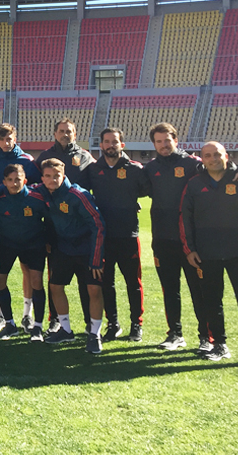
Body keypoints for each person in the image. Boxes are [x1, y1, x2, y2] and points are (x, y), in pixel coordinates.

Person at [144, 122, 238, 353]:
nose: (163, 145)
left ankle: (206, 337)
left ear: (175, 140)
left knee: (199, 291)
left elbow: (219, 166)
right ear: (154, 144)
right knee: (170, 290)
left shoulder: (193, 163)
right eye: (159, 141)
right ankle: (175, 334)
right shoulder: (149, 168)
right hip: (162, 238)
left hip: (191, 242)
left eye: (167, 140)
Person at [181, 142, 238, 370]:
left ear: (226, 156)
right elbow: (185, 220)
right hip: (206, 254)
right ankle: (219, 345)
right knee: (212, 302)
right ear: (202, 159)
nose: (213, 159)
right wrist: (190, 249)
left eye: (217, 154)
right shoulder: (194, 184)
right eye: (207, 155)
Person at [83, 128, 149, 342]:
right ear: (101, 145)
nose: (111, 145)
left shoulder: (135, 169)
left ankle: (136, 324)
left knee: (133, 282)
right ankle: (113, 323)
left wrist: (131, 202)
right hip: (103, 237)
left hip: (128, 235)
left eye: (115, 142)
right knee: (106, 282)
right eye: (107, 142)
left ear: (122, 145)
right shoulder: (93, 170)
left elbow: (147, 190)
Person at [36, 158, 106, 354]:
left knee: (94, 291)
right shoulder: (43, 192)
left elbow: (98, 225)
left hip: (87, 250)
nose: (52, 180)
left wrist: (96, 258)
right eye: (48, 176)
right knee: (56, 287)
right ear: (42, 178)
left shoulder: (78, 195)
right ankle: (65, 330)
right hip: (63, 250)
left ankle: (94, 334)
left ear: (63, 175)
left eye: (56, 176)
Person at [0, 123, 41, 331]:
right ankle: (1, 316)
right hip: (1, 223)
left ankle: (27, 315)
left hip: (26, 222)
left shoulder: (27, 161)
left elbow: (39, 186)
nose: (6, 142)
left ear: (15, 137)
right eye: (2, 139)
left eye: (10, 138)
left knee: (27, 270)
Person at [35, 119, 94, 335]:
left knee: (86, 282)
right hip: (54, 225)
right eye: (61, 131)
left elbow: (97, 181)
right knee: (55, 279)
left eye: (69, 131)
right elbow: (34, 180)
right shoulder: (45, 156)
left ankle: (90, 322)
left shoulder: (85, 156)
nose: (65, 134)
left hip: (79, 218)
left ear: (75, 134)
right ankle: (56, 321)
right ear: (55, 133)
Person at [0, 164, 49, 343]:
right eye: (10, 180)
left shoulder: (37, 198)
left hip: (33, 245)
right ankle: (10, 324)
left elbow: (50, 218)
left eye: (18, 179)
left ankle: (38, 327)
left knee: (36, 282)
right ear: (4, 182)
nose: (14, 183)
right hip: (5, 245)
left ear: (24, 180)